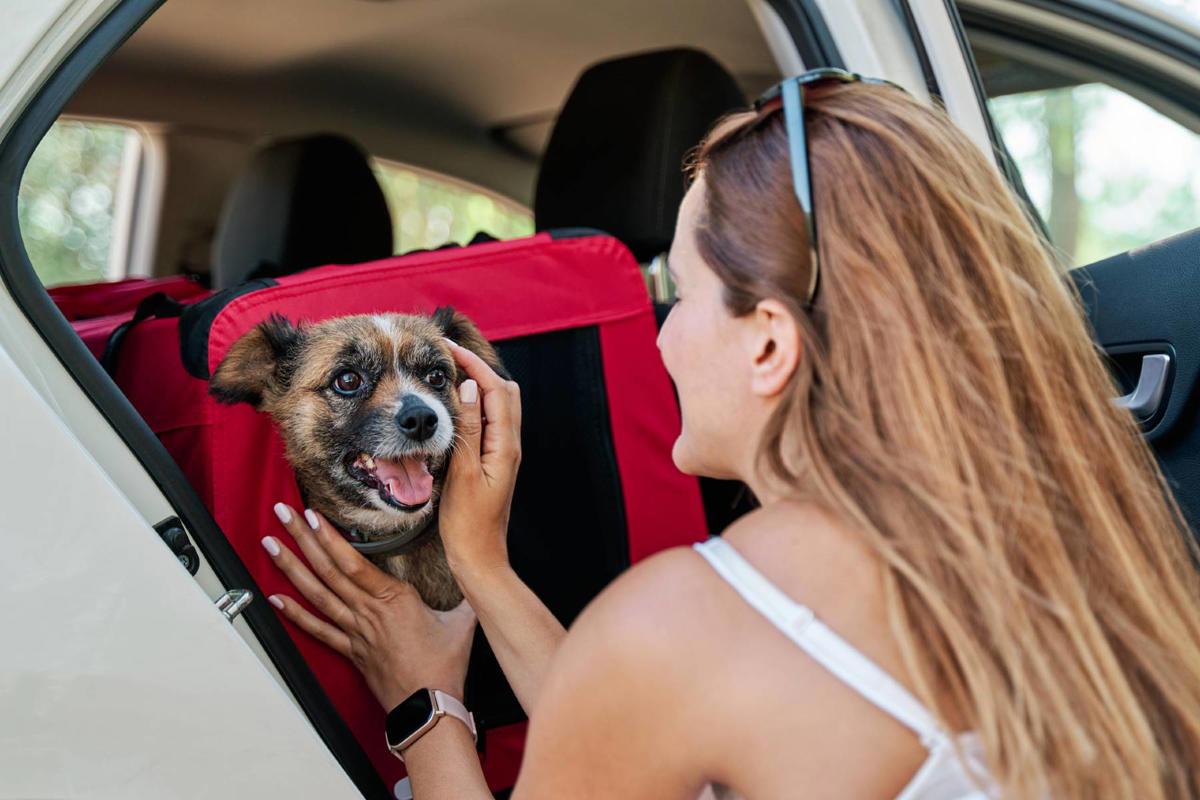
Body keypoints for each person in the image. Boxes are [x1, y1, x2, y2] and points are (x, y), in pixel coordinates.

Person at [261, 70, 1200, 799]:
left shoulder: (685, 625)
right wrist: (484, 569)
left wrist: (425, 705)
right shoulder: (1105, 561)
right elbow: (637, 727)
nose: (660, 330)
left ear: (770, 346)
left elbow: (643, 693)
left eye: (683, 290)